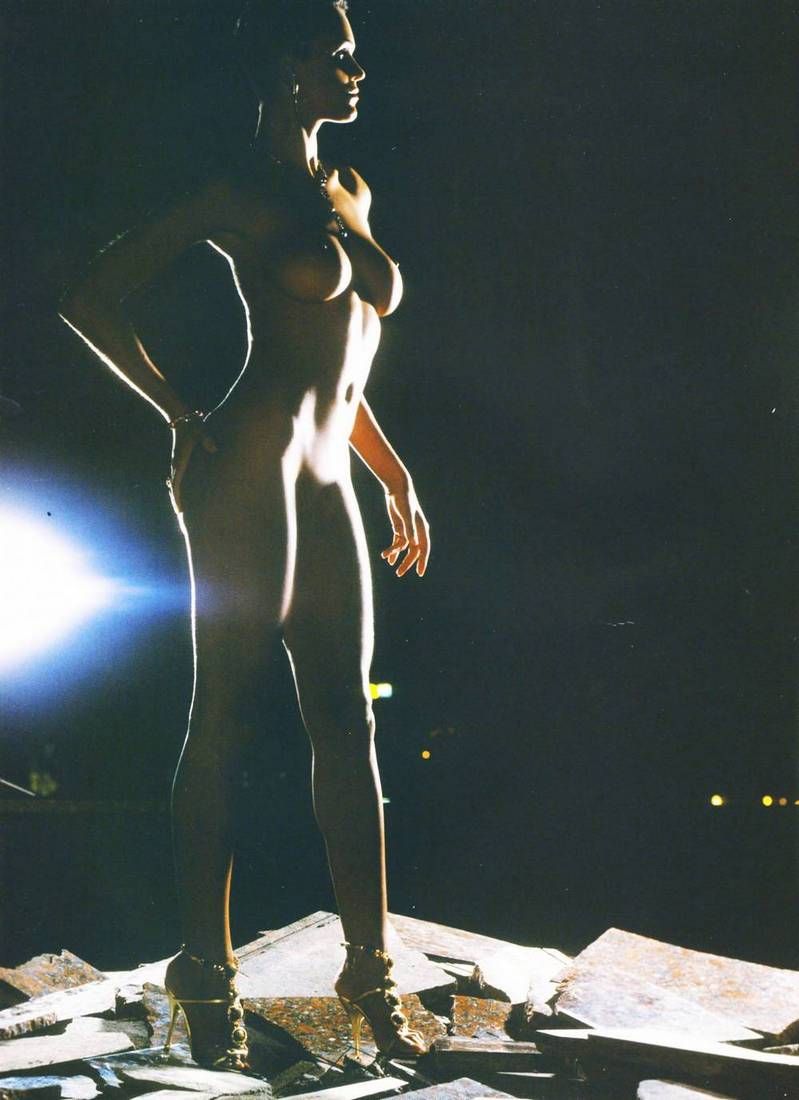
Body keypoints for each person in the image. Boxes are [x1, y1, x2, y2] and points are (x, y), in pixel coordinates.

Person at [59, 0, 430, 1071]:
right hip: (247, 474)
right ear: (282, 65)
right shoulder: (233, 190)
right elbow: (93, 296)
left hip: (331, 482)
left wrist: (395, 475)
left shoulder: (349, 188)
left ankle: (369, 970)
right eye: (336, 56)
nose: (355, 72)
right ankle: (204, 967)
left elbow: (341, 355)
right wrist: (181, 416)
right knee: (220, 715)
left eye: (355, 56)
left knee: (347, 723)